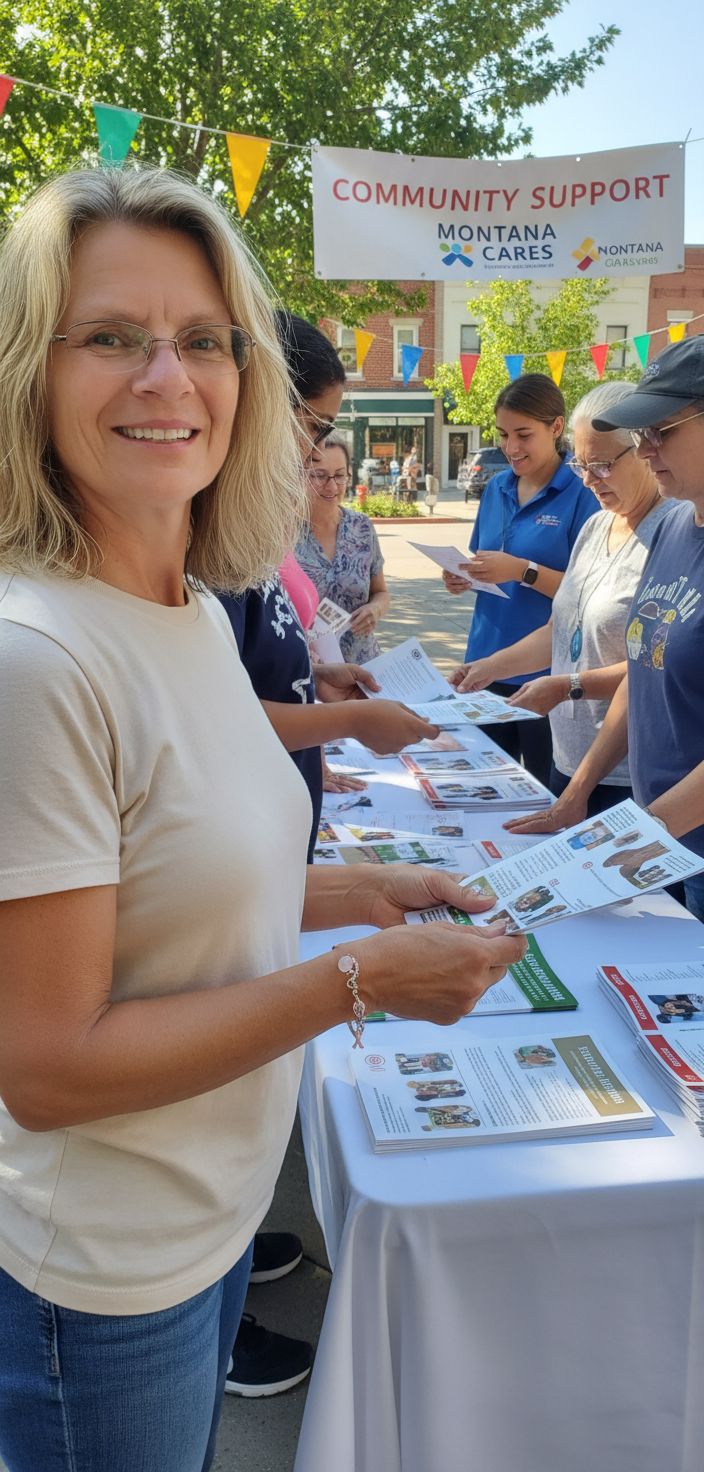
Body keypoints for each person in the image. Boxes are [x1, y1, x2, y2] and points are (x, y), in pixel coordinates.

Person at [0, 165, 528, 1472]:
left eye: (203, 340)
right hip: (108, 1271)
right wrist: (362, 979)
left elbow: (170, 894)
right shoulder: (38, 655)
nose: (166, 377)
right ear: (28, 373)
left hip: (212, 1214)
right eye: (109, 336)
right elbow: (48, 1066)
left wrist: (365, 894)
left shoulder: (184, 606)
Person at [502, 337, 704, 925]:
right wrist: (577, 795)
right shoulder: (675, 530)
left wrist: (640, 837)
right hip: (663, 838)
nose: (647, 448)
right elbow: (643, 674)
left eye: (661, 431)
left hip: (668, 837)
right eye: (641, 435)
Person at [452, 382, 671, 815]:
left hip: (627, 774)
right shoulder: (597, 526)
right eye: (581, 464)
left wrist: (568, 685)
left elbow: (655, 667)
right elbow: (561, 629)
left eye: (601, 465)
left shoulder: (670, 532)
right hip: (568, 757)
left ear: (645, 450)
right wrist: (486, 668)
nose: (587, 480)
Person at [443, 373, 598, 786]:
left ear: (556, 427)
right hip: (485, 664)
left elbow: (590, 594)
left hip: (546, 675)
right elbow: (485, 560)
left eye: (523, 435)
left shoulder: (583, 492)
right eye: (503, 434)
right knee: (485, 786)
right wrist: (462, 576)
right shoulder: (497, 487)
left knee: (545, 791)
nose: (511, 447)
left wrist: (521, 571)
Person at [296, 432, 390, 663]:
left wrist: (375, 610)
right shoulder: (283, 534)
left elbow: (380, 592)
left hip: (364, 665)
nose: (331, 486)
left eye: (339, 476)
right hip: (310, 668)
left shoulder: (362, 527)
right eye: (319, 475)